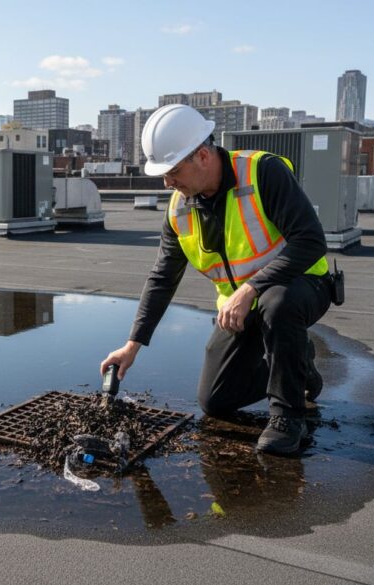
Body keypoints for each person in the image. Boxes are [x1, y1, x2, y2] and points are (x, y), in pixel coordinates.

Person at [100, 104, 333, 455]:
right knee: (216, 400)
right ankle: (297, 361)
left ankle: (287, 418)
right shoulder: (179, 207)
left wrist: (251, 288)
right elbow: (163, 277)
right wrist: (132, 345)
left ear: (203, 156)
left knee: (277, 303)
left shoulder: (262, 173)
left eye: (173, 171)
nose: (167, 183)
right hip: (241, 306)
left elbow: (311, 241)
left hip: (301, 286)